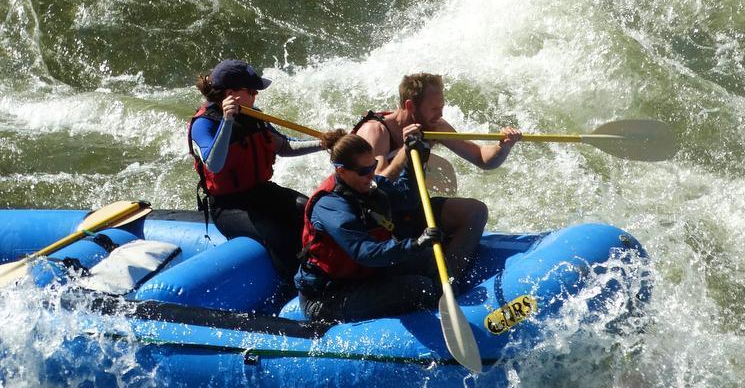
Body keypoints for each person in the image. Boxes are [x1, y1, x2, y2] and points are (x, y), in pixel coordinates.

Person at [294, 129, 488, 322]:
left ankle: (455, 301)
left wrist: (415, 162)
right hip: (329, 296)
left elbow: (407, 199)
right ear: (341, 171)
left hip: (366, 276)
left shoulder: (368, 185)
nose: (371, 174)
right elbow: (364, 252)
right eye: (364, 171)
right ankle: (445, 311)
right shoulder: (331, 206)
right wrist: (414, 244)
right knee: (420, 287)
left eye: (373, 166)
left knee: (431, 259)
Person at [188, 59, 323, 276]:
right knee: (275, 233)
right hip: (228, 206)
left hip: (260, 193)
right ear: (231, 93)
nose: (256, 95)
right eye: (251, 90)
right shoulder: (204, 124)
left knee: (307, 208)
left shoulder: (254, 116)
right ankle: (294, 285)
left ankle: (323, 268)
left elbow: (284, 146)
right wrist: (227, 121)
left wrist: (323, 144)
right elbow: (214, 162)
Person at [353, 73, 523, 183]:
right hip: (370, 210)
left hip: (404, 202)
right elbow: (376, 183)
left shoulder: (434, 126)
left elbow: (482, 159)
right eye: (434, 109)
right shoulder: (376, 131)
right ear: (410, 105)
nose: (440, 114)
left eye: (442, 107)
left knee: (475, 212)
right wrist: (405, 150)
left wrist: (504, 145)